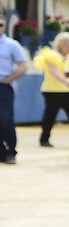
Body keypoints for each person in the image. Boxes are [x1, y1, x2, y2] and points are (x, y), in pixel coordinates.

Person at [35, 33, 69, 147]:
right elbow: (54, 72)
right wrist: (66, 81)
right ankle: (44, 138)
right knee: (50, 115)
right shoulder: (51, 55)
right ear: (62, 45)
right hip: (53, 90)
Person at [0, 30, 28, 164]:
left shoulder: (11, 45)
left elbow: (23, 66)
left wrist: (9, 79)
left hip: (4, 86)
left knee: (5, 119)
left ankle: (11, 151)